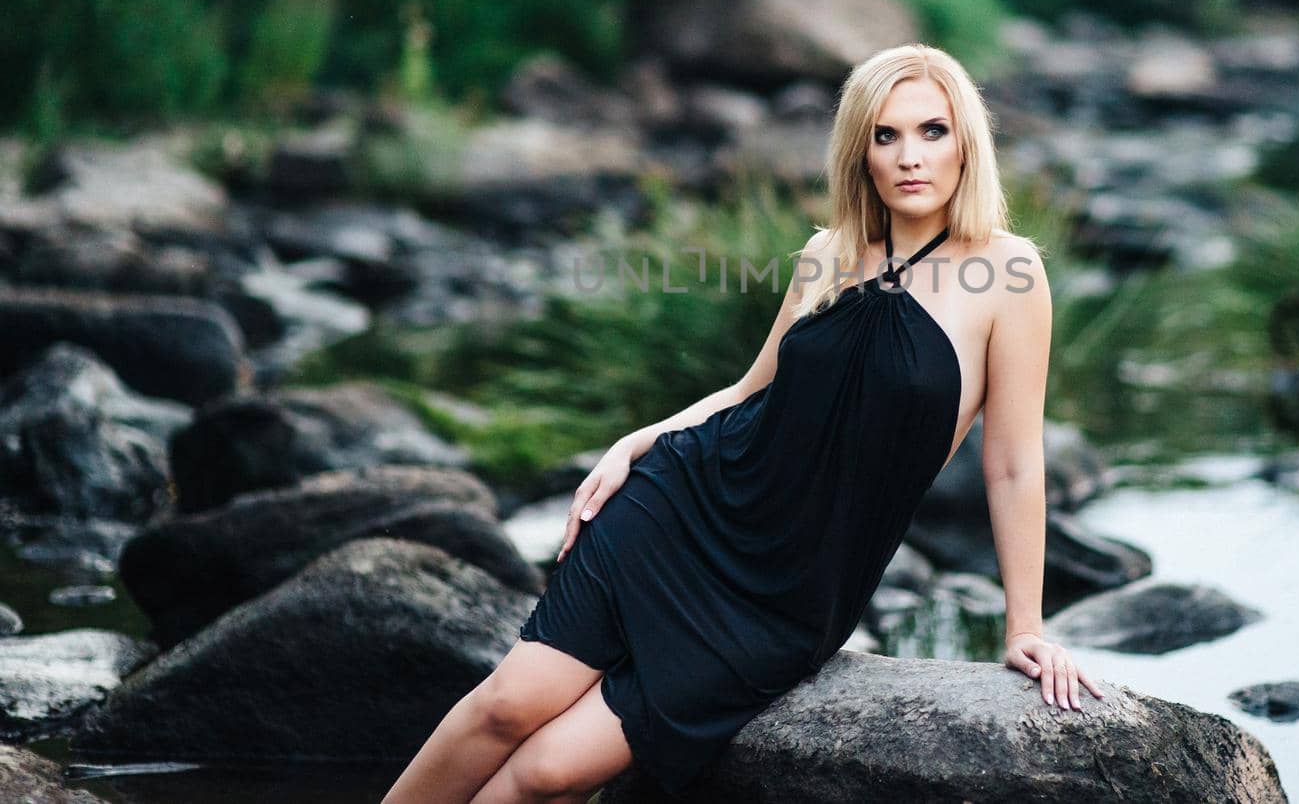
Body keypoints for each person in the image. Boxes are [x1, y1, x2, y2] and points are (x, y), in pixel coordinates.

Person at [381, 43, 1104, 804]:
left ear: (968, 142)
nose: (908, 157)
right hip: (683, 506)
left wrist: (1025, 626)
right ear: (859, 151)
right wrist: (639, 441)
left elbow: (1016, 463)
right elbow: (749, 390)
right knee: (505, 707)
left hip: (789, 592)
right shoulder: (829, 253)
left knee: (549, 773)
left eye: (932, 131)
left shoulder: (1011, 272)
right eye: (884, 136)